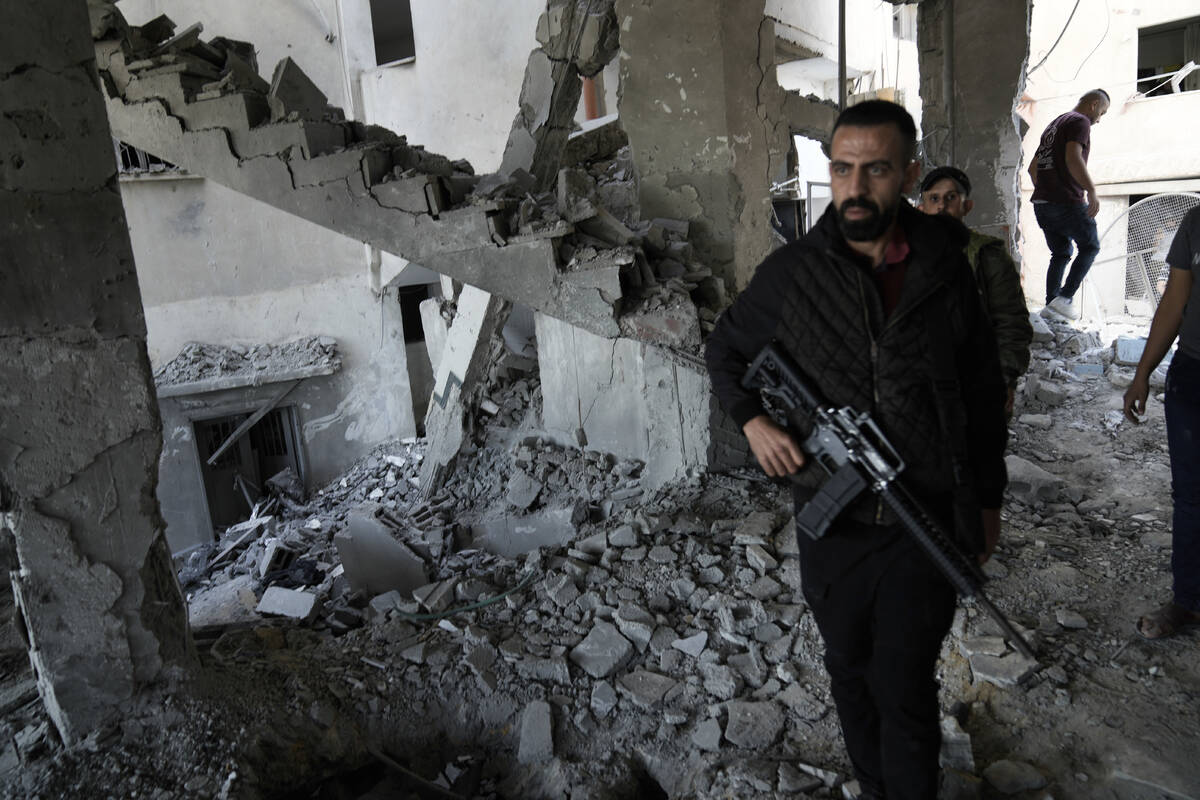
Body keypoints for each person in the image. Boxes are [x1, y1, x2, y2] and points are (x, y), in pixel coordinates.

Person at [705, 100, 1008, 800]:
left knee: (902, 683)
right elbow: (726, 348)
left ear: (906, 173)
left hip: (921, 514)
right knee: (847, 666)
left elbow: (983, 392)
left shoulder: (946, 266)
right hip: (831, 522)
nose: (856, 186)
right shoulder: (793, 274)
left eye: (875, 170)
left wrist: (987, 501)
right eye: (842, 169)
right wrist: (752, 420)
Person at [1123, 205, 1200, 639]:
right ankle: (1189, 602)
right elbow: (1175, 298)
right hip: (1193, 375)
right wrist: (1142, 374)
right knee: (1191, 496)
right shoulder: (1195, 223)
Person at [918, 165, 1033, 414]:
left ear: (966, 206)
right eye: (933, 199)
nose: (941, 207)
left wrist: (1004, 379)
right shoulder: (905, 257)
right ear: (921, 209)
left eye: (951, 198)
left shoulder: (987, 255)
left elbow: (1011, 323)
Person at [1028, 89, 1110, 321]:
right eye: (1102, 112)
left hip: (1042, 203)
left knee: (1061, 253)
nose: (1099, 120)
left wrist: (1046, 189)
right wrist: (1091, 191)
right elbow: (1073, 158)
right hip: (1065, 202)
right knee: (1090, 246)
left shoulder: (1054, 125)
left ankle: (1051, 308)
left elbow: (1033, 168)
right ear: (1094, 105)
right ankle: (1064, 299)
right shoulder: (1080, 122)